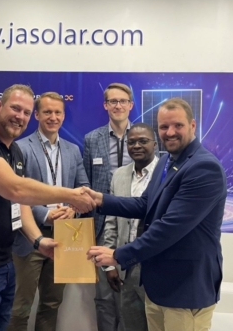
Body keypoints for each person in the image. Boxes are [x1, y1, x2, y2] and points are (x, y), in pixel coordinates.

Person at [0, 84, 94, 331]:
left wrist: (37, 240)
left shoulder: (13, 152)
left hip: (2, 262)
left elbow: (18, 204)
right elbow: (15, 189)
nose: (20, 116)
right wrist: (71, 195)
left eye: (25, 112)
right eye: (15, 108)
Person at [87, 97, 227, 331]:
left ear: (192, 125)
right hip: (158, 287)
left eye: (178, 125)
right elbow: (145, 205)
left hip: (186, 290)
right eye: (164, 126)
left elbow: (169, 228)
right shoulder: (165, 161)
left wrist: (119, 255)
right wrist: (99, 200)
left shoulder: (204, 168)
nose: (170, 132)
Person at [8, 92, 90, 331]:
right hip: (29, 237)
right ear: (36, 115)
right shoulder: (20, 147)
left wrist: (73, 209)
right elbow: (16, 193)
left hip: (65, 236)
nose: (53, 117)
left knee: (52, 303)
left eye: (58, 113)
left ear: (63, 116)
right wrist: (44, 213)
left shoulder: (73, 150)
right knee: (19, 307)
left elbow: (83, 188)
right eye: (47, 112)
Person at [83, 83, 135, 331]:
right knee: (104, 294)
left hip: (135, 222)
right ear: (105, 105)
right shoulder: (92, 139)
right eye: (113, 101)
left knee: (131, 293)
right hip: (102, 224)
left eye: (122, 101)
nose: (118, 106)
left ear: (130, 105)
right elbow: (85, 181)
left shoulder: (144, 137)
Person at [102, 123, 158, 331]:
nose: (136, 146)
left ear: (155, 144)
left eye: (143, 141)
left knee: (156, 324)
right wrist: (110, 265)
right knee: (131, 324)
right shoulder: (119, 175)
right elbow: (111, 222)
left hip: (154, 266)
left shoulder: (165, 175)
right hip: (126, 265)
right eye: (131, 142)